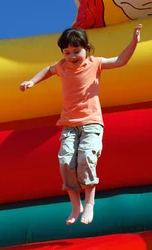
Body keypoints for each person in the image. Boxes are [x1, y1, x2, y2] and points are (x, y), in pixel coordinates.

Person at [20, 23, 142, 225]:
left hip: (91, 123)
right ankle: (76, 205)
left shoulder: (95, 63)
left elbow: (121, 61)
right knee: (65, 162)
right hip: (69, 125)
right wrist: (32, 81)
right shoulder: (62, 66)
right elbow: (47, 70)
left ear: (87, 48)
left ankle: (90, 204)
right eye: (67, 52)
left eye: (77, 51)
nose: (72, 56)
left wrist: (134, 42)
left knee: (86, 157)